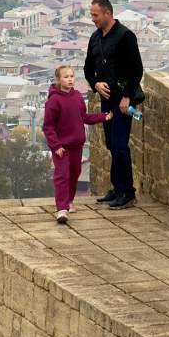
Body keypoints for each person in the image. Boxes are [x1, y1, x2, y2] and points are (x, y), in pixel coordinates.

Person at [84, 0, 144, 209]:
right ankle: (117, 188)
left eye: (95, 15)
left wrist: (127, 96)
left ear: (108, 14)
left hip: (123, 101)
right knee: (111, 143)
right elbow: (88, 69)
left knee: (120, 145)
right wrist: (95, 85)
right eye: (92, 15)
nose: (92, 19)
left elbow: (137, 69)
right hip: (107, 100)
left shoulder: (126, 37)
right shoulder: (95, 38)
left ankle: (128, 192)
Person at [41, 65, 111, 224]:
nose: (70, 79)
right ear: (58, 80)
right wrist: (56, 146)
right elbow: (48, 127)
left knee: (74, 175)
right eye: (66, 77)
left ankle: (69, 201)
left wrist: (104, 117)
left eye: (72, 76)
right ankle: (61, 209)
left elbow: (84, 117)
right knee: (62, 176)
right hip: (61, 148)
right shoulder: (53, 101)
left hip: (76, 146)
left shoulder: (78, 97)